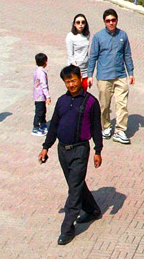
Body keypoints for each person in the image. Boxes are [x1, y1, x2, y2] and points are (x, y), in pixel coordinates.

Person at [39, 65, 104, 245]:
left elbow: (96, 128)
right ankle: (92, 210)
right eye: (67, 82)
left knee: (74, 189)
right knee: (75, 183)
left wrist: (98, 150)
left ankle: (67, 229)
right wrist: (46, 147)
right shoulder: (61, 101)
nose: (71, 85)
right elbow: (54, 126)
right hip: (62, 151)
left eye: (73, 81)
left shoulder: (91, 102)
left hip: (80, 150)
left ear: (80, 78)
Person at [85, 8, 135, 145]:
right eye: (108, 21)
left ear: (117, 20)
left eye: (113, 20)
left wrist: (131, 73)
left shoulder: (123, 35)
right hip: (104, 76)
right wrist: (90, 75)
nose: (111, 23)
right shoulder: (98, 37)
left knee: (122, 104)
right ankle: (106, 127)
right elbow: (93, 57)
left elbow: (127, 55)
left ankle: (120, 131)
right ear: (104, 22)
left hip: (120, 75)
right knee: (104, 105)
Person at [65, 14, 92, 86]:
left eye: (83, 22)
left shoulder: (87, 35)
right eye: (78, 22)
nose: (80, 24)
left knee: (84, 91)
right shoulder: (70, 36)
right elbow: (70, 55)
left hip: (85, 69)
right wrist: (76, 69)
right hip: (74, 69)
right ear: (74, 24)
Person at [32, 52, 51, 136]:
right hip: (40, 96)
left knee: (43, 110)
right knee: (39, 112)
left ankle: (43, 124)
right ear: (45, 62)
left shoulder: (36, 71)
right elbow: (44, 85)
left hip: (37, 95)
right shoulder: (42, 73)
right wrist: (48, 96)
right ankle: (36, 128)